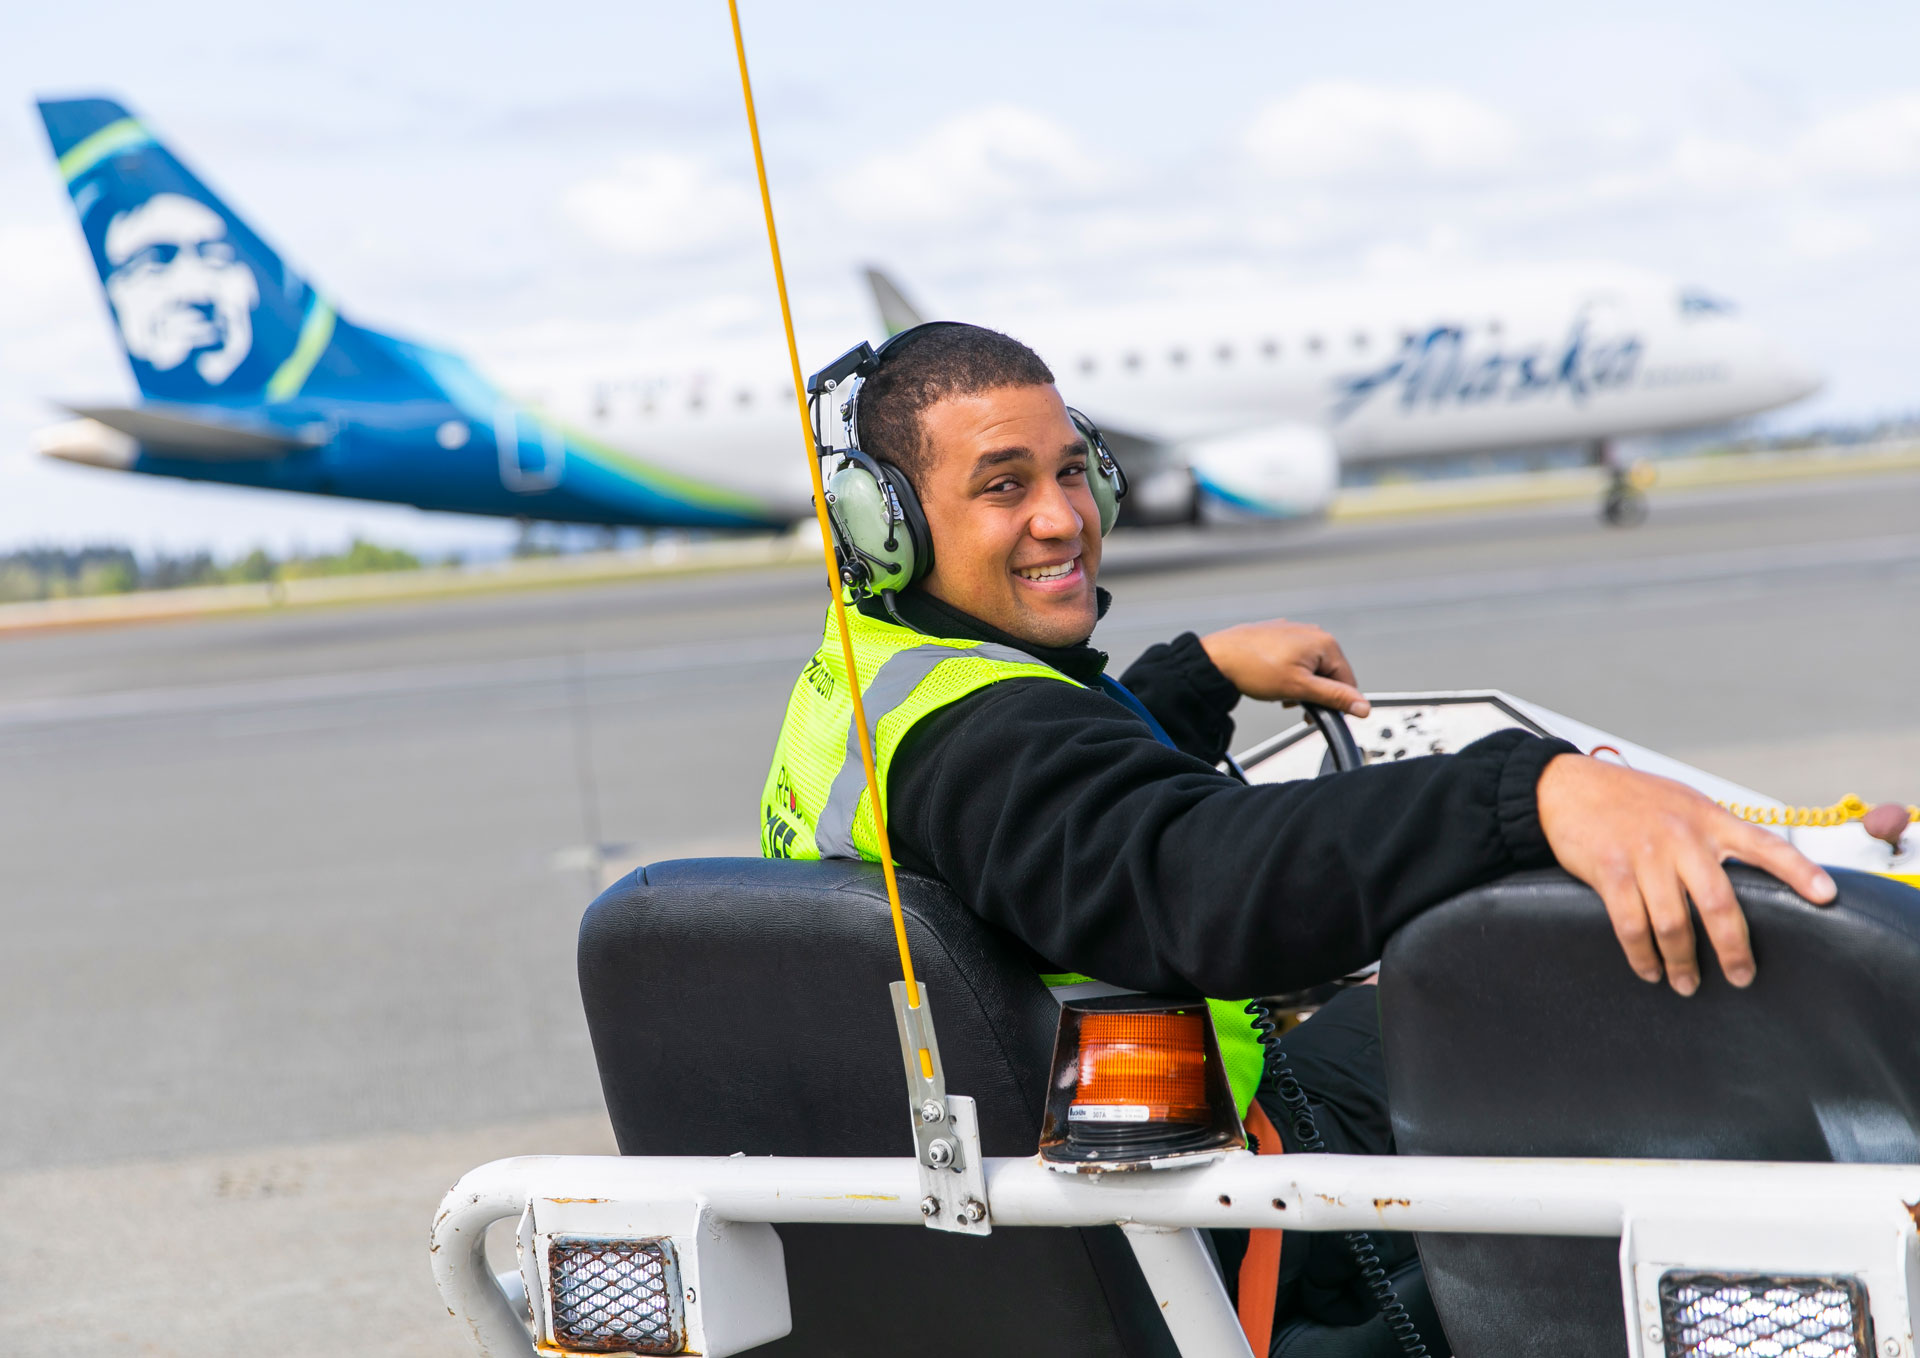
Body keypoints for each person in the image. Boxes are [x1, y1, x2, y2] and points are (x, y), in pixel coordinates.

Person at [760, 323, 1834, 1356]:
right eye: (1004, 486)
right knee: (1524, 1006)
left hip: (1022, 1212)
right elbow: (1188, 884)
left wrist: (1192, 677)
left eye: (1074, 472)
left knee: (1395, 1019)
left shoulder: (871, 677)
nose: (1063, 517)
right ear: (884, 520)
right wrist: (1531, 796)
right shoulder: (985, 735)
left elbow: (1050, 824)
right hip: (1188, 1211)